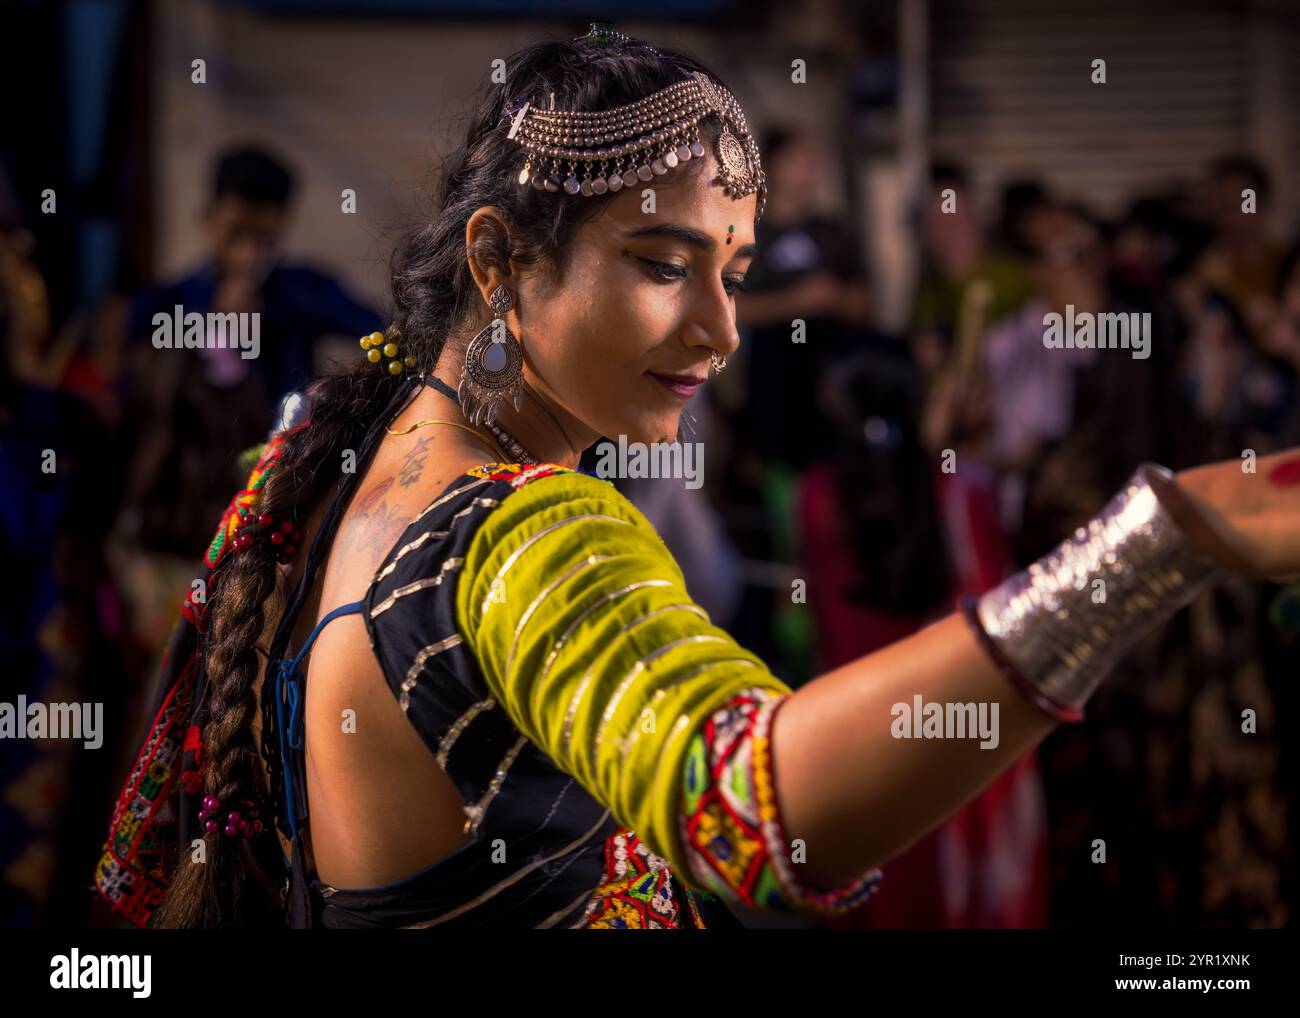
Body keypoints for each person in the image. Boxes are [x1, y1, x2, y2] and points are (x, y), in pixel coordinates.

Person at [93, 26, 1300, 929]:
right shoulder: (524, 537)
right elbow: (756, 800)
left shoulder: (326, 464)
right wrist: (1154, 543)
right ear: (500, 260)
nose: (722, 331)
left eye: (733, 269)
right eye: (664, 265)